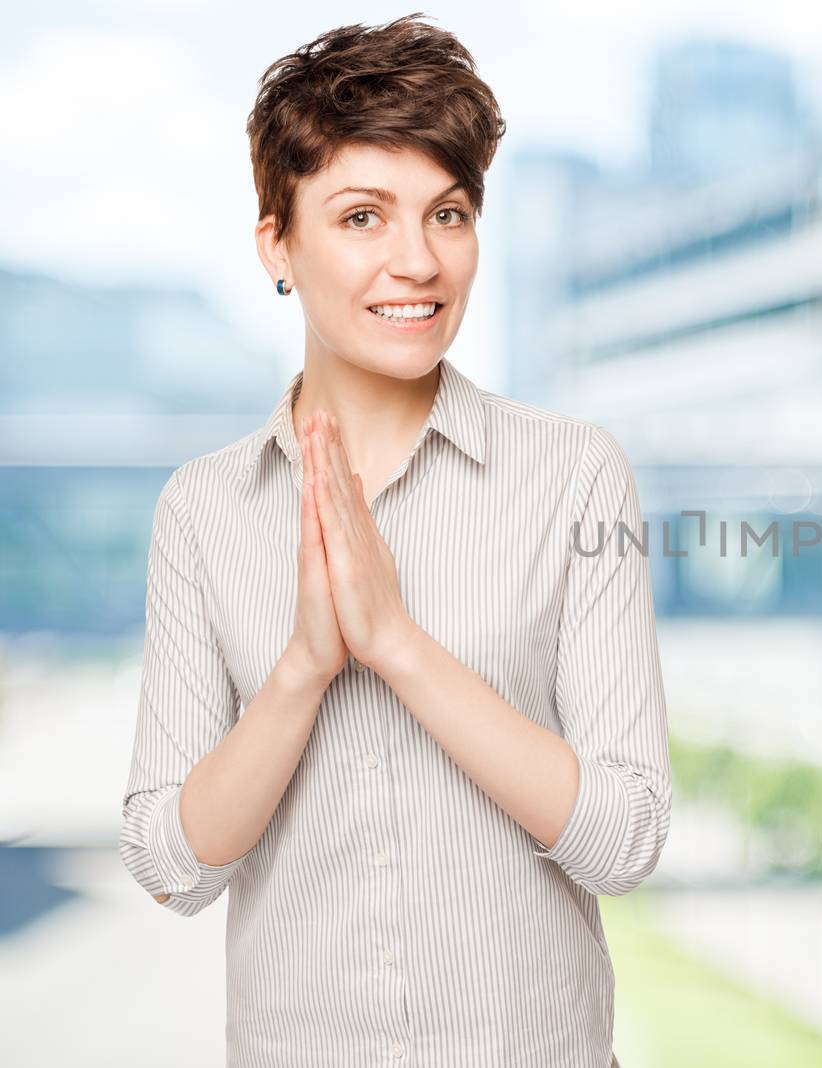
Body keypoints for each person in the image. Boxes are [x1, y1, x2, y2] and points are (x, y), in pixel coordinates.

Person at [117, 14, 666, 1067]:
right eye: (362, 216)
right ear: (277, 243)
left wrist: (399, 646)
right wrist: (302, 668)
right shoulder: (204, 508)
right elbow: (170, 866)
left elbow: (625, 840)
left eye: (447, 214)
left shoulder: (572, 474)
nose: (418, 261)